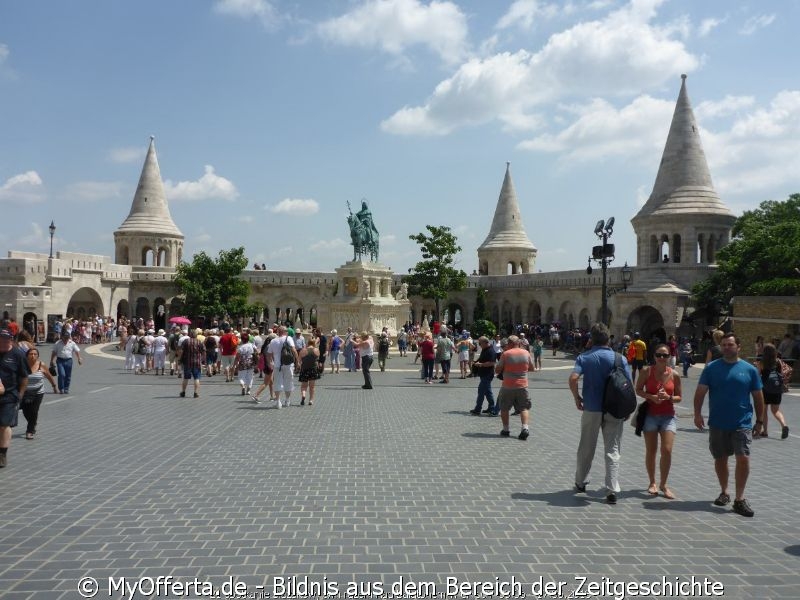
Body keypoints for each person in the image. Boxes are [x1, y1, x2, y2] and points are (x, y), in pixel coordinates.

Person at [693, 332, 764, 517]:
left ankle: (739, 499)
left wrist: (760, 421)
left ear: (738, 347)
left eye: (730, 344)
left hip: (742, 423)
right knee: (720, 458)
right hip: (717, 422)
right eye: (724, 344)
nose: (726, 347)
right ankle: (724, 492)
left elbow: (758, 397)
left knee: (743, 458)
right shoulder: (711, 368)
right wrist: (697, 413)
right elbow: (700, 392)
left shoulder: (749, 370)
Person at [569, 323, 631, 505]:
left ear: (591, 339)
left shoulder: (585, 357)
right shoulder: (620, 358)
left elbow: (573, 378)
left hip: (592, 408)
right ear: (608, 338)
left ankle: (580, 482)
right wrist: (626, 408)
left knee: (586, 447)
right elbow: (628, 384)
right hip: (614, 409)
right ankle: (611, 488)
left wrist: (577, 397)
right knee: (612, 449)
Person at [635, 343, 682, 499]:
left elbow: (679, 397)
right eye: (659, 355)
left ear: (670, 357)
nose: (662, 358)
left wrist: (668, 397)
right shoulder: (646, 372)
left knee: (667, 450)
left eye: (665, 355)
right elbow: (638, 389)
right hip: (650, 415)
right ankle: (652, 482)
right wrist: (651, 397)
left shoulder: (674, 374)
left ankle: (663, 484)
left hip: (668, 415)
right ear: (654, 356)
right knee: (652, 450)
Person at [495, 335, 535, 440]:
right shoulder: (526, 353)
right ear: (519, 343)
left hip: (508, 385)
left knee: (504, 408)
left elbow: (497, 370)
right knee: (524, 407)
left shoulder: (506, 354)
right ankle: (525, 428)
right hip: (522, 385)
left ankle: (506, 429)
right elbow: (531, 368)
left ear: (510, 343)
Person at [0, 328, 29, 467]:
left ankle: (2, 454)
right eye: (2, 339)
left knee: (4, 425)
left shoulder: (18, 355)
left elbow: (24, 376)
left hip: (10, 396)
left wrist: (20, 395)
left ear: (11, 340)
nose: (4, 342)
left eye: (7, 339)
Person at [20, 347, 57, 439]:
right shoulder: (22, 365)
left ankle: (30, 430)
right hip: (25, 392)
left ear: (38, 356)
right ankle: (33, 422)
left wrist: (54, 386)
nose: (33, 356)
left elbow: (49, 376)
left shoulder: (41, 365)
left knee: (34, 410)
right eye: (30, 354)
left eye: (35, 354)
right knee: (25, 411)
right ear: (27, 356)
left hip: (38, 392)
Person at [755, 343, 790, 439]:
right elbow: (782, 375)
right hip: (776, 388)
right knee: (776, 410)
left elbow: (757, 376)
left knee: (764, 410)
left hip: (765, 388)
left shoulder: (761, 362)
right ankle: (784, 425)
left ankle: (765, 431)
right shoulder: (778, 361)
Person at [267, 326, 299, 407]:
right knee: (288, 382)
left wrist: (270, 363)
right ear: (285, 332)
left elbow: (269, 354)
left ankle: (278, 402)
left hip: (277, 365)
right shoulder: (288, 338)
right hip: (288, 364)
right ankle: (287, 400)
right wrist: (297, 361)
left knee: (277, 382)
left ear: (278, 332)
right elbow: (294, 350)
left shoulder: (273, 341)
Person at [469, 337, 497, 416]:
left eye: (480, 343)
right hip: (484, 374)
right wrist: (476, 362)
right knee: (488, 392)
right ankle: (491, 407)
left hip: (487, 374)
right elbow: (482, 358)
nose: (479, 345)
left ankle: (478, 409)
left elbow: (492, 363)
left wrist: (481, 364)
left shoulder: (491, 351)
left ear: (485, 342)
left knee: (481, 391)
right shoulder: (485, 349)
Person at [177, 328, 204, 398]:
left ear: (190, 334)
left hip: (187, 362)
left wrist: (180, 359)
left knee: (186, 378)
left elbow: (181, 351)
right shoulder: (199, 342)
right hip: (197, 362)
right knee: (196, 378)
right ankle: (196, 393)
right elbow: (203, 351)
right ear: (196, 335)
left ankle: (183, 392)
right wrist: (204, 360)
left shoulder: (186, 341)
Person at [298, 337, 321, 406]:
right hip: (313, 369)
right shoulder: (316, 350)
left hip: (304, 369)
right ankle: (311, 400)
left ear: (307, 343)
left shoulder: (303, 350)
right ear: (314, 343)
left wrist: (298, 367)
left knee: (304, 386)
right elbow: (317, 360)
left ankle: (304, 395)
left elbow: (299, 361)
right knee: (312, 387)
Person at [234, 332, 256, 396]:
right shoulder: (252, 345)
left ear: (242, 339)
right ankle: (248, 390)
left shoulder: (240, 347)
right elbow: (257, 352)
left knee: (241, 376)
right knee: (250, 376)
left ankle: (243, 386)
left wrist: (234, 365)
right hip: (251, 362)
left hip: (242, 362)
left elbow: (237, 357)